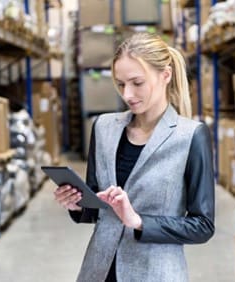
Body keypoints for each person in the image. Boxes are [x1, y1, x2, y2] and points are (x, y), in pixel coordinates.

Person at [54, 32, 215, 282]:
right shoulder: (104, 128)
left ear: (166, 75)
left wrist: (139, 221)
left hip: (156, 272)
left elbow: (202, 226)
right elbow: (97, 208)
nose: (127, 94)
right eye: (120, 84)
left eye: (137, 83)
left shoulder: (191, 136)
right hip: (99, 270)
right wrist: (76, 205)